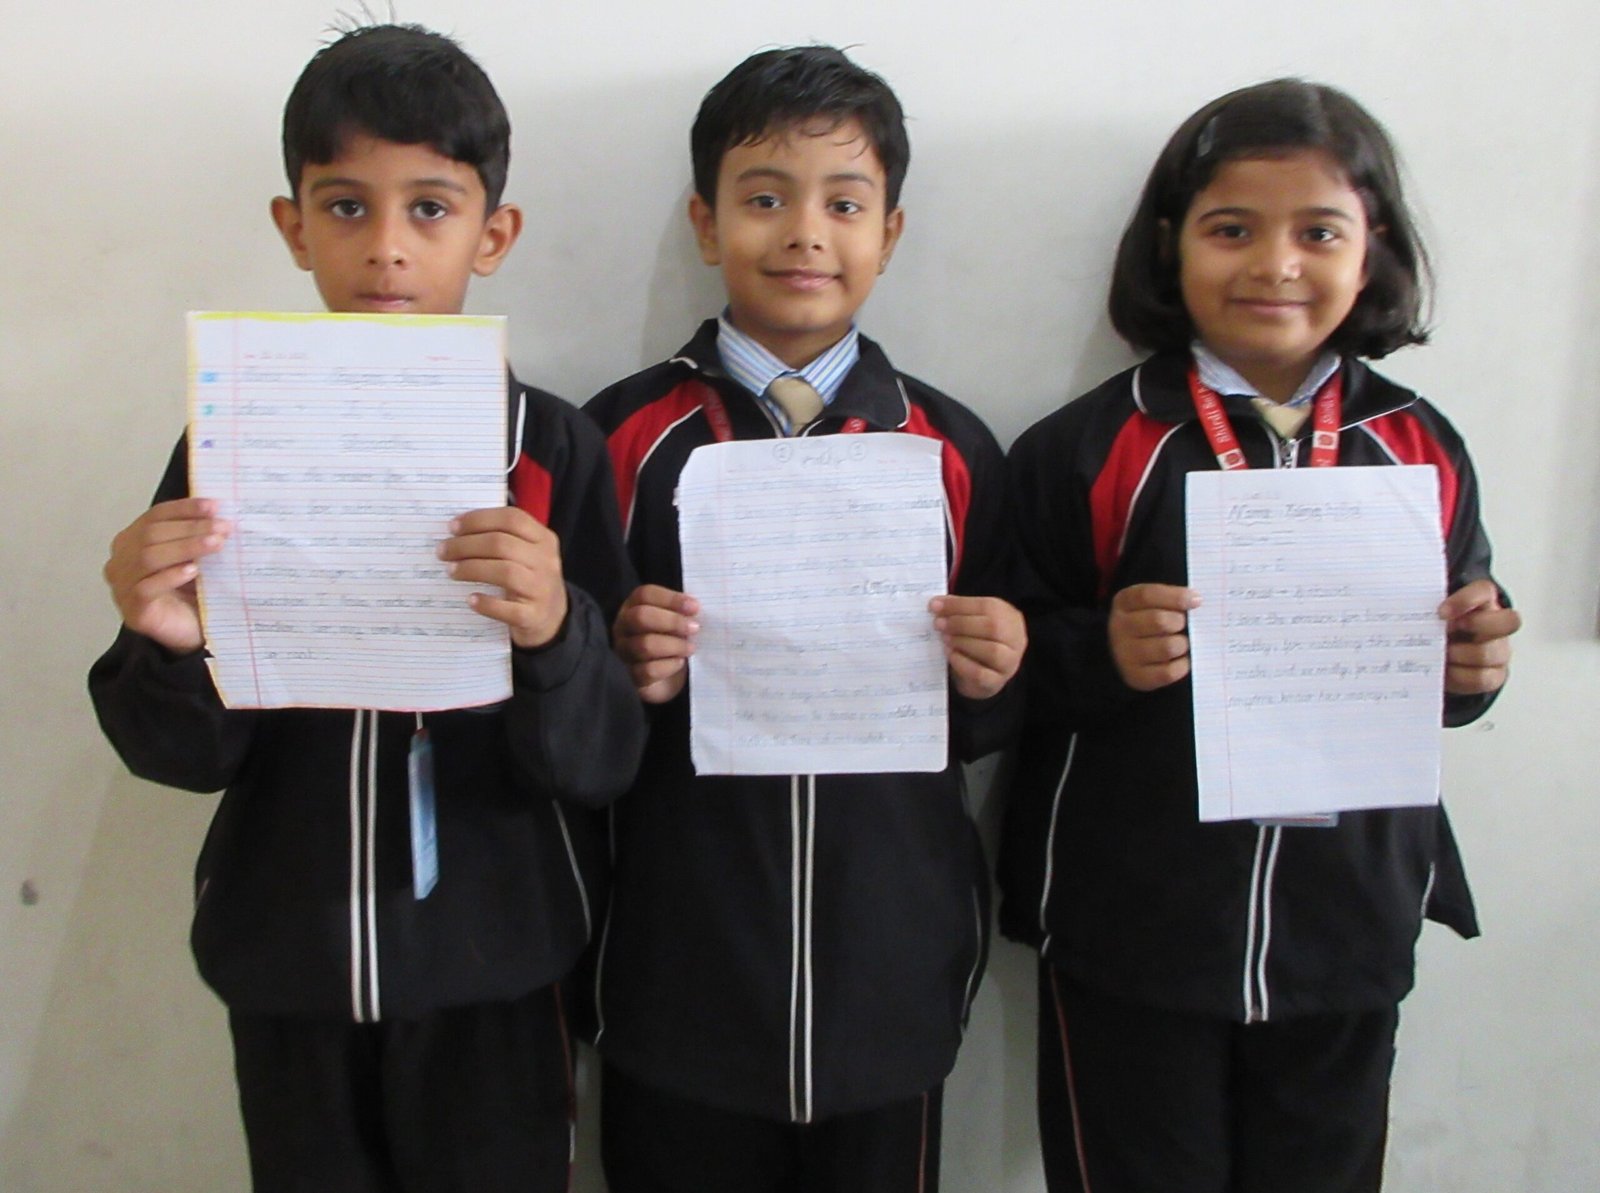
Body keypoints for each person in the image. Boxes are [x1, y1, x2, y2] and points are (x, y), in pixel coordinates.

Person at [88, 24, 643, 1192]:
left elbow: (601, 756)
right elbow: (181, 754)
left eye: (430, 208)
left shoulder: (551, 448)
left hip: (500, 965)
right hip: (287, 955)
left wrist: (553, 632)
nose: (387, 247)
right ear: (293, 226)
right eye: (346, 207)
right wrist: (167, 645)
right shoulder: (227, 439)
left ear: (494, 234)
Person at [998, 78, 1521, 1193]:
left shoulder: (1418, 445)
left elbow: (1457, 646)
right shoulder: (1090, 447)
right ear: (1169, 244)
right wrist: (1100, 654)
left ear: (1373, 251)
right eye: (1232, 229)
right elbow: (996, 668)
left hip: (1348, 927)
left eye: (1318, 232)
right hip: (1135, 933)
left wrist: (1471, 667)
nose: (1275, 265)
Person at [583, 45, 1026, 1193]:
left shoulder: (950, 447)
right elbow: (565, 712)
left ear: (891, 231)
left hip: (890, 975)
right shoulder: (618, 438)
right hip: (678, 970)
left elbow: (994, 717)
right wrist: (618, 660)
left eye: (844, 203)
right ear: (705, 220)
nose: (804, 234)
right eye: (765, 198)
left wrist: (996, 669)